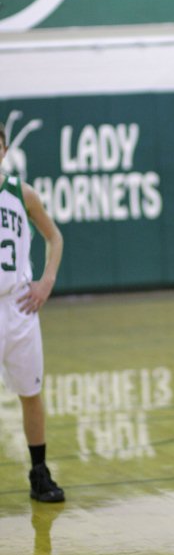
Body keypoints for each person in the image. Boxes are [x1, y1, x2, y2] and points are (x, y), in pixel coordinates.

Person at [0, 123, 65, 502]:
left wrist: (46, 282)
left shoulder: (21, 193)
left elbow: (54, 236)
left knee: (31, 392)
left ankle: (39, 472)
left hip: (18, 303)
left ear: (5, 150)